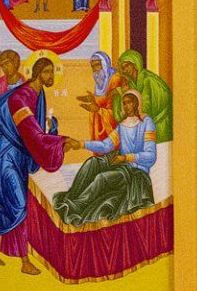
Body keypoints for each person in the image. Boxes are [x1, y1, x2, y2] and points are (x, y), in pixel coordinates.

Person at [0, 55, 81, 276]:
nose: (50, 76)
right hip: (2, 151)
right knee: (18, 202)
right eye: (46, 72)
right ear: (37, 73)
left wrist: (51, 131)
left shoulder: (38, 93)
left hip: (17, 152)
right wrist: (60, 142)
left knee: (5, 198)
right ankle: (21, 258)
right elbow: (32, 133)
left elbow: (34, 130)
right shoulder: (20, 97)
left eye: (52, 72)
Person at [53, 90, 158, 226]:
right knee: (92, 162)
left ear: (136, 103)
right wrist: (80, 144)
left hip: (136, 173)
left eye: (129, 102)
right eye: (124, 103)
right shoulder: (123, 125)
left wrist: (126, 157)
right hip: (122, 164)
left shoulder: (146, 122)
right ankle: (71, 199)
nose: (126, 106)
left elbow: (151, 156)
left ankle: (76, 207)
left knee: (101, 178)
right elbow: (105, 145)